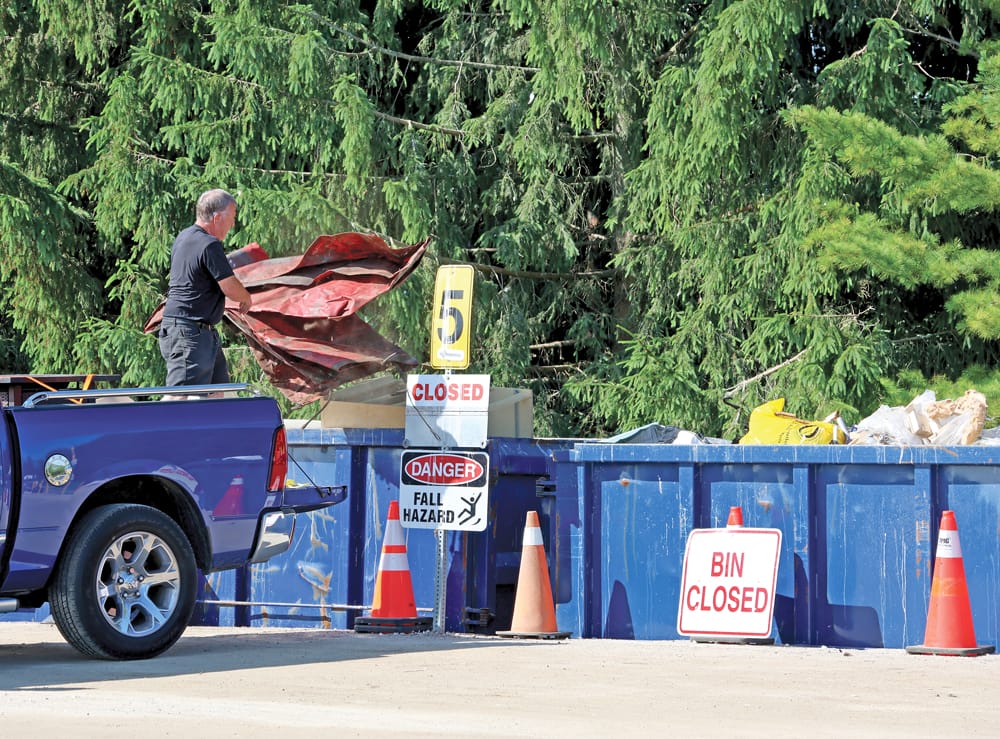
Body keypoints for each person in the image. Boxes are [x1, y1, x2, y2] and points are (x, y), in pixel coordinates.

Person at [158, 189, 253, 386]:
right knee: (179, 396)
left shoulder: (184, 237)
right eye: (232, 217)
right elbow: (230, 286)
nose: (233, 224)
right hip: (189, 333)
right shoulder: (209, 244)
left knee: (218, 392)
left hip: (199, 332)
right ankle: (162, 419)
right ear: (217, 217)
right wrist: (246, 298)